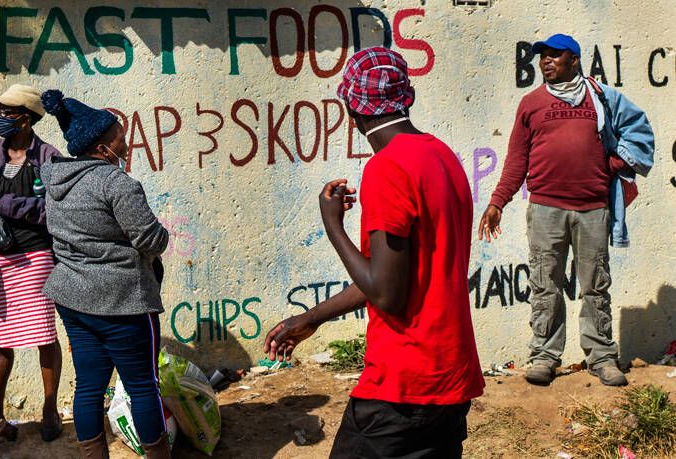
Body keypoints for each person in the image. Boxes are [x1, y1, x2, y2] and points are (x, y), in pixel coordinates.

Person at [264, 47, 485, 458]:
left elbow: (386, 293)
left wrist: (332, 224)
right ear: (408, 98)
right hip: (451, 378)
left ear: (351, 106)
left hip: (404, 385)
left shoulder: (388, 168)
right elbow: (397, 274)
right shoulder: (442, 156)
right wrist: (311, 318)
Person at [478, 34, 654, 386]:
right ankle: (544, 357)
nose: (545, 62)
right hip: (546, 210)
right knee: (545, 284)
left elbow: (640, 131)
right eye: (542, 57)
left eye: (554, 56)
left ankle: (602, 357)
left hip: (593, 209)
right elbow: (517, 160)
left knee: (595, 286)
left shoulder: (601, 98)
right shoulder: (531, 104)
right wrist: (498, 200)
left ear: (574, 60)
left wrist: (616, 161)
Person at [39, 90, 170, 459]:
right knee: (144, 388)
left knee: (88, 388)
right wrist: (163, 234)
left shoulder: (55, 183)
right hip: (122, 303)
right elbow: (150, 239)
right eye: (119, 136)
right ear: (102, 146)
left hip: (73, 300)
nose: (125, 142)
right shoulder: (117, 183)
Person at [0, 84, 63, 440]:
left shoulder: (48, 156)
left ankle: (50, 409)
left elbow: (57, 209)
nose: (1, 118)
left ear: (27, 118)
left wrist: (7, 205)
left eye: (7, 112)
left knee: (42, 334)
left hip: (34, 257)